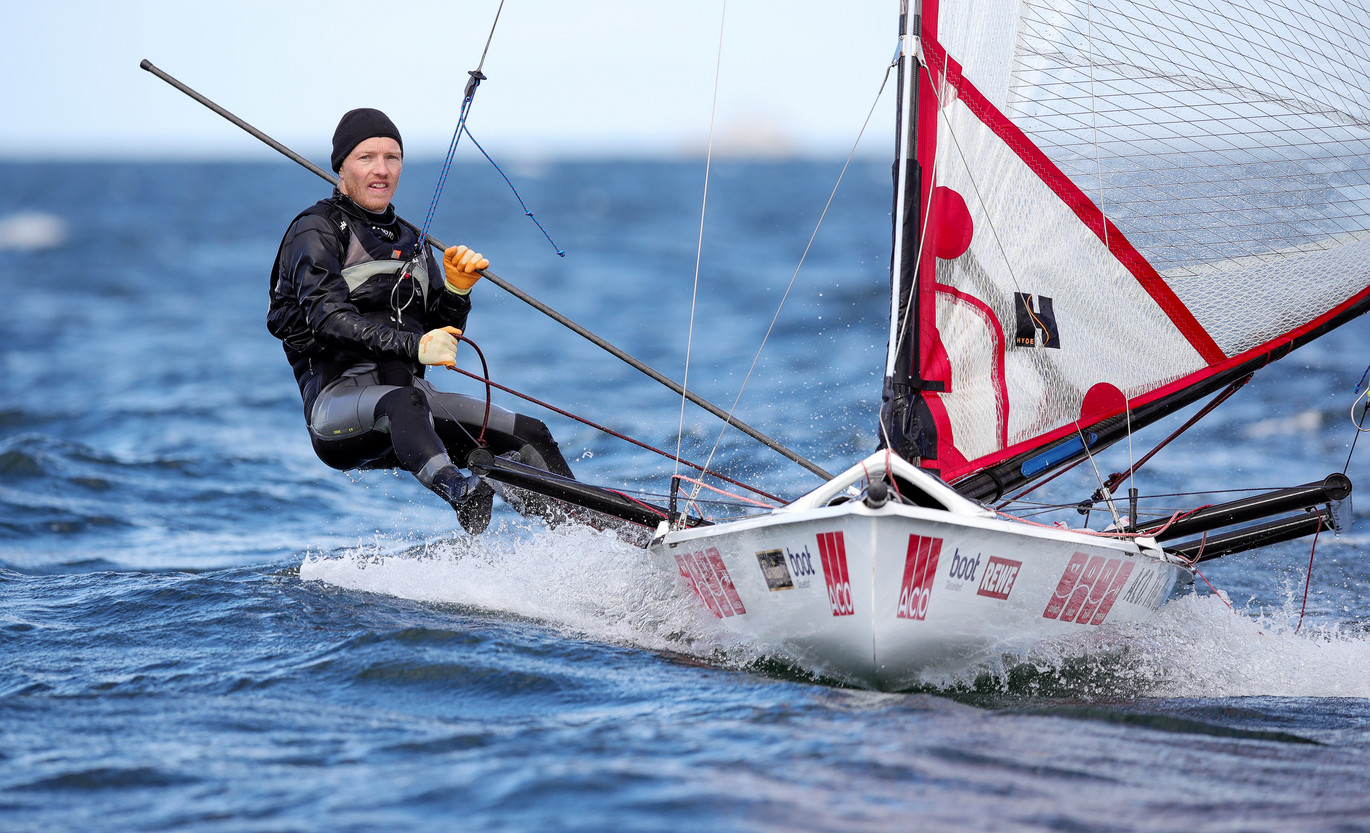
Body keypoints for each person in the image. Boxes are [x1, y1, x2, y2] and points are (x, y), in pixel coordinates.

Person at [268, 107, 576, 533]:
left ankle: (593, 534)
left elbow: (438, 335)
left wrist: (457, 291)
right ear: (341, 166)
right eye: (367, 157)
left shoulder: (411, 240)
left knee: (530, 433)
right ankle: (461, 493)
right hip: (339, 410)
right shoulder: (315, 230)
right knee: (405, 401)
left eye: (392, 158)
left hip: (414, 403)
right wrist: (415, 346)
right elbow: (327, 320)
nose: (382, 170)